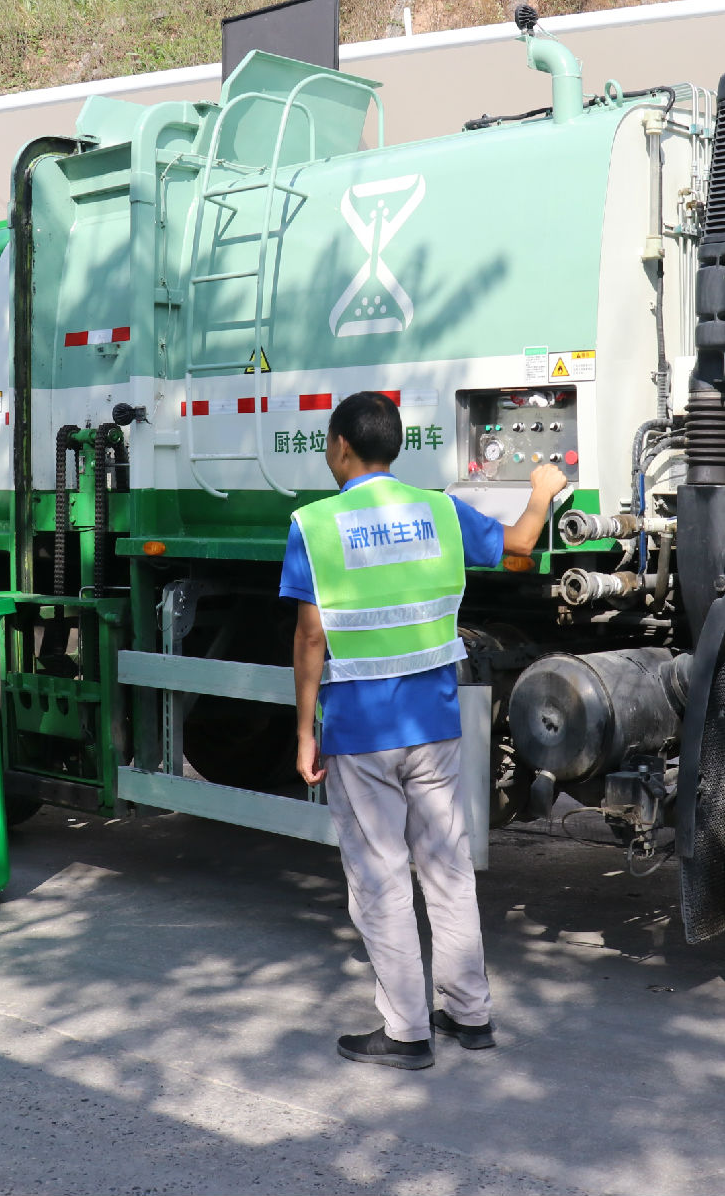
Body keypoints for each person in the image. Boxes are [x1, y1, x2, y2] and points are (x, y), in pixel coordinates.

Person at [280, 391, 567, 1069]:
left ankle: (406, 1031)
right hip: (435, 722)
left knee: (378, 877)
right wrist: (541, 490)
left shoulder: (316, 525)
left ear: (340, 446)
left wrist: (303, 731)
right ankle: (470, 1015)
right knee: (446, 868)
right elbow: (520, 546)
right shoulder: (439, 510)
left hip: (359, 730)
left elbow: (311, 634)